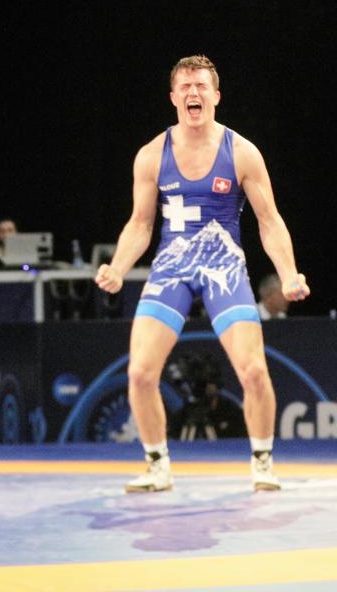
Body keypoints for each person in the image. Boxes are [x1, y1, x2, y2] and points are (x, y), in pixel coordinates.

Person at [94, 55, 309, 493]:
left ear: (216, 96)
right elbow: (140, 224)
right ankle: (157, 465)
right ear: (174, 97)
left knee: (252, 369)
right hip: (172, 268)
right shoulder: (152, 155)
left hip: (222, 266)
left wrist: (288, 273)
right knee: (139, 373)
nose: (193, 93)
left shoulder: (242, 152)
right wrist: (118, 267)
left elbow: (269, 221)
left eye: (201, 86)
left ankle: (262, 460)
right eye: (185, 86)